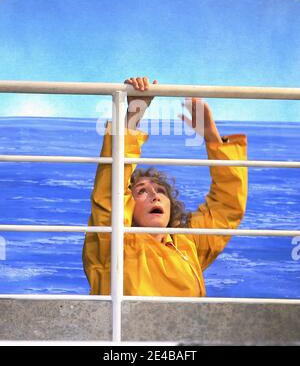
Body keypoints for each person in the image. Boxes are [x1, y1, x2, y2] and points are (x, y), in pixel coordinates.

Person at [82, 77, 248, 297]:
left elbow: (228, 207)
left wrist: (212, 138)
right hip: (126, 331)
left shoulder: (188, 243)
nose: (155, 195)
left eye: (161, 191)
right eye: (141, 191)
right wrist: (134, 113)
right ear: (128, 207)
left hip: (187, 330)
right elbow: (109, 189)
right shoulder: (112, 241)